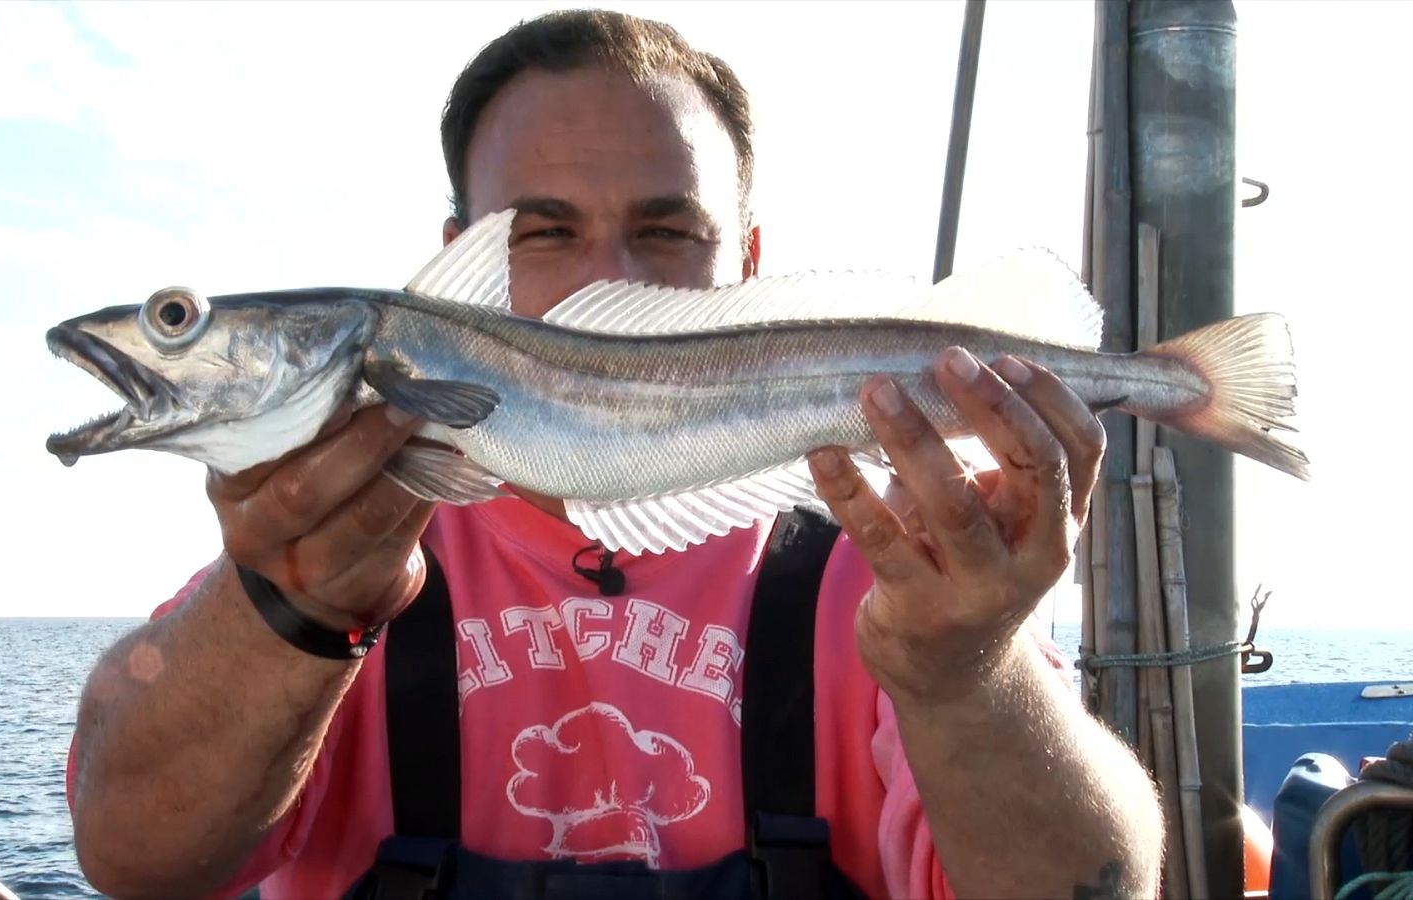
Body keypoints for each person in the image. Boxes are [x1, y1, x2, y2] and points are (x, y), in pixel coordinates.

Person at [66, 9, 1164, 899]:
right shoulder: (323, 546)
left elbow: (1093, 888)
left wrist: (965, 669)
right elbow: (136, 863)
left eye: (670, 230)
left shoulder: (902, 569)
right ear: (457, 264)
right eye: (541, 232)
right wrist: (284, 617)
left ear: (750, 261)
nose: (609, 280)